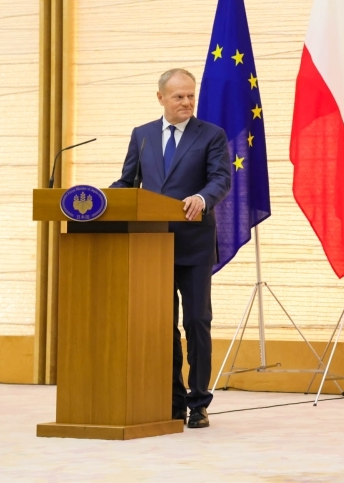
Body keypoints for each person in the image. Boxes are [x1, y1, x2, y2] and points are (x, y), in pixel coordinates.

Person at [111, 68, 232, 429]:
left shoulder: (211, 134)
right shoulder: (143, 135)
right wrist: (100, 199)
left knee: (196, 323)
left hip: (193, 246)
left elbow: (220, 179)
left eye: (191, 95)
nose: (187, 102)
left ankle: (199, 402)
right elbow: (128, 182)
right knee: (163, 326)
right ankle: (173, 401)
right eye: (179, 96)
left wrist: (202, 198)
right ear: (160, 97)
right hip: (152, 246)